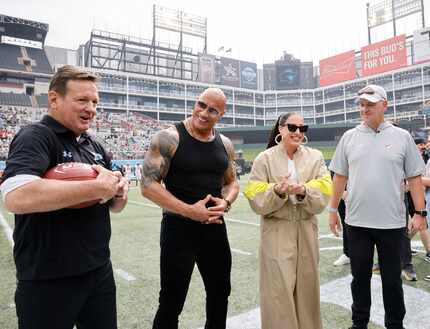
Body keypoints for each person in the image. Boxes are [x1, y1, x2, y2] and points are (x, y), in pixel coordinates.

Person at [0, 65, 128, 329]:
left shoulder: (94, 145)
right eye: (82, 100)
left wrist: (118, 192)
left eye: (94, 101)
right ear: (54, 99)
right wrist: (96, 188)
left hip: (98, 270)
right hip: (47, 278)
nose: (91, 108)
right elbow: (17, 196)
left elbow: (115, 206)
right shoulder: (35, 136)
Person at [329, 84, 427, 329]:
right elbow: (339, 176)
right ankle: (359, 323)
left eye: (370, 104)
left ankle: (395, 324)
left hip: (392, 224)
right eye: (362, 104)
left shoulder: (402, 137)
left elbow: (415, 178)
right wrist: (332, 210)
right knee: (359, 278)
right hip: (357, 223)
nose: (365, 108)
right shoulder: (349, 137)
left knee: (392, 281)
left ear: (384, 105)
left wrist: (420, 212)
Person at [140, 87, 239, 329]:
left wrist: (226, 201)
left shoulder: (224, 144)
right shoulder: (168, 138)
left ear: (221, 115)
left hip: (215, 229)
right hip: (178, 230)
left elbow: (232, 182)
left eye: (212, 110)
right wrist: (188, 210)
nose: (203, 113)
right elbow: (147, 184)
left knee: (220, 294)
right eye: (201, 104)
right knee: (171, 301)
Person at [244, 112, 332, 329]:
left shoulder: (316, 157)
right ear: (281, 129)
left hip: (306, 229)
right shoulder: (264, 159)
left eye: (303, 128)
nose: (298, 133)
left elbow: (325, 189)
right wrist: (277, 190)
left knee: (307, 289)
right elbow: (255, 197)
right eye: (293, 127)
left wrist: (303, 190)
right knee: (278, 292)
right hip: (276, 230)